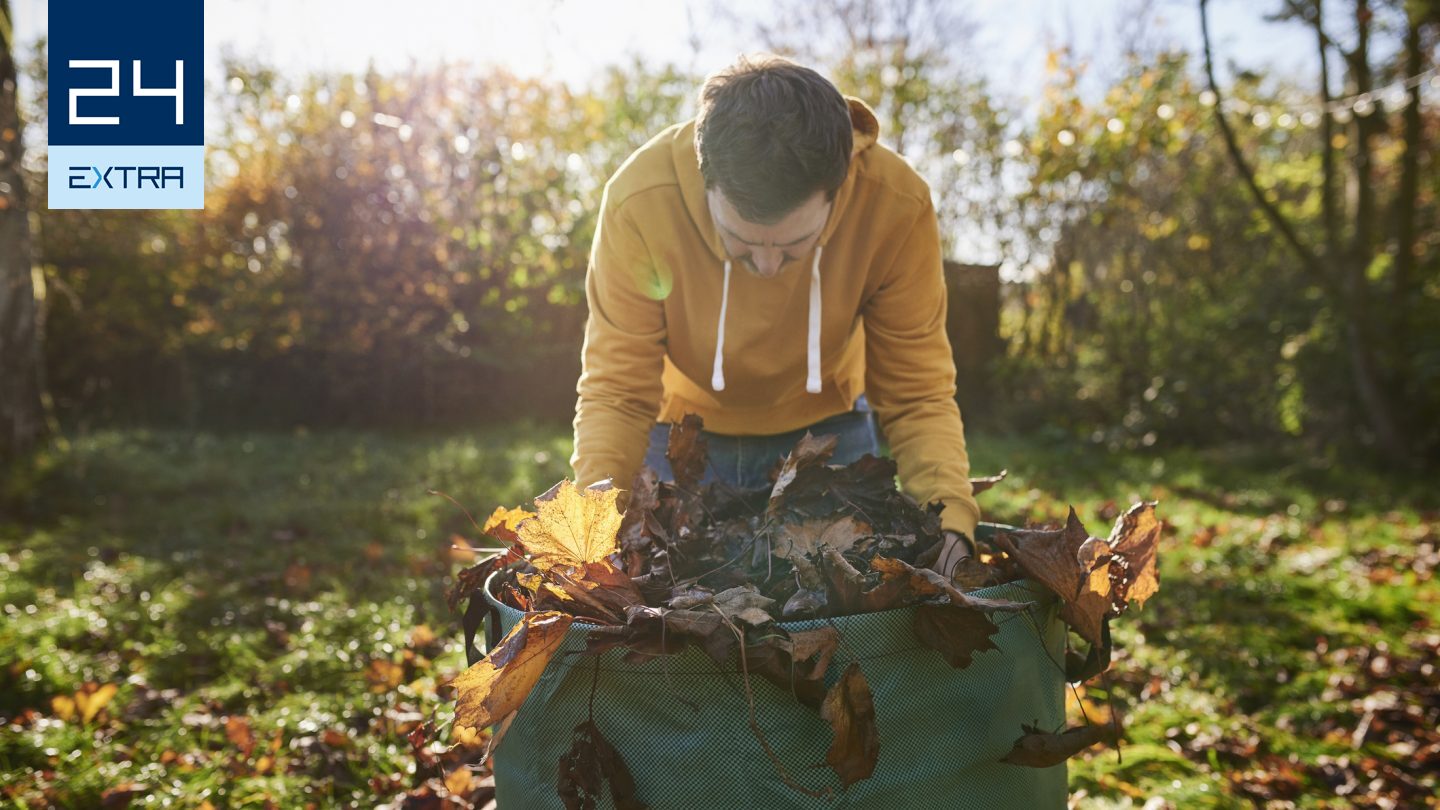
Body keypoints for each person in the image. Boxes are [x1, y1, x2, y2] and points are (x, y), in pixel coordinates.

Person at [570, 54, 980, 579]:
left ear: (839, 187)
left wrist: (949, 523)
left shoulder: (897, 203)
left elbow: (917, 391)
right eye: (739, 241)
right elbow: (617, 390)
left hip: (829, 435)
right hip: (681, 437)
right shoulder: (639, 201)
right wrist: (591, 528)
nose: (766, 267)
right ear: (705, 179)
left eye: (793, 246)